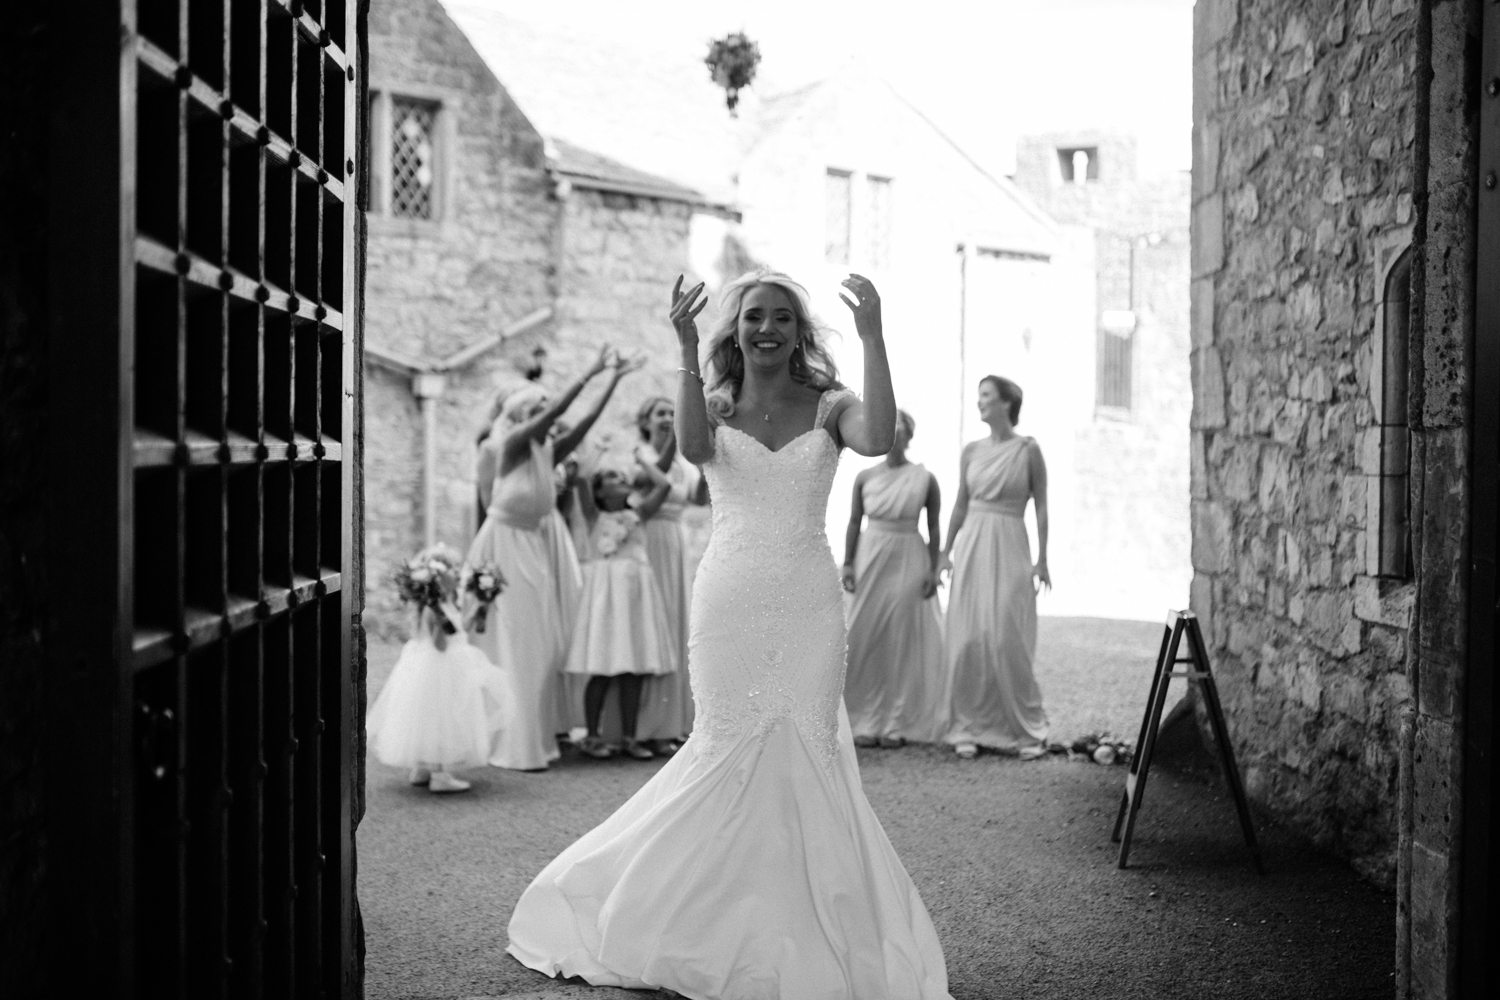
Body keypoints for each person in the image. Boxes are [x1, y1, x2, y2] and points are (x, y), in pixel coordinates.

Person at [507, 269, 953, 999]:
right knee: (724, 741)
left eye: (781, 317)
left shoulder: (830, 405)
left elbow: (875, 438)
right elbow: (691, 448)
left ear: (799, 331)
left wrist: (873, 334)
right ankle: (690, 922)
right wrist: (683, 341)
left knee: (806, 744)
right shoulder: (714, 403)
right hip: (730, 595)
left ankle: (807, 931)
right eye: (753, 317)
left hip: (806, 597)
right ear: (735, 330)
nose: (767, 328)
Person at [465, 347, 642, 771]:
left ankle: (535, 733)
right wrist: (593, 368)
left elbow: (584, 422)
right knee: (518, 643)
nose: (551, 414)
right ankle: (513, 742)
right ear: (525, 414)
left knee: (543, 644)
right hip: (503, 546)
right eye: (541, 408)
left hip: (534, 548)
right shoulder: (514, 443)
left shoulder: (548, 451)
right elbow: (562, 407)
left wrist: (615, 380)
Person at [938, 375, 1051, 760]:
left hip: (1011, 540)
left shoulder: (1028, 449)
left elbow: (1041, 505)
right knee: (968, 637)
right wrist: (944, 552)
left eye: (986, 396)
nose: (979, 402)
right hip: (972, 542)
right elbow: (959, 504)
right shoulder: (970, 451)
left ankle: (1024, 728)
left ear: (1006, 402)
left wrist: (1043, 558)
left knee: (1006, 634)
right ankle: (967, 725)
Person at [841, 408, 946, 747]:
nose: (893, 430)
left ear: (908, 433)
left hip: (908, 554)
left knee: (901, 637)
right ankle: (862, 718)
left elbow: (933, 526)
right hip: (870, 555)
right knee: (862, 633)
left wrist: (932, 568)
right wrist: (847, 563)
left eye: (898, 424)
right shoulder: (865, 477)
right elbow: (854, 521)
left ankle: (896, 721)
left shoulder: (925, 479)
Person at [366, 545, 508, 793]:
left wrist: (482, 605)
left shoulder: (444, 604)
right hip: (441, 667)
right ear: (440, 578)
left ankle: (422, 768)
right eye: (453, 570)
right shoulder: (434, 608)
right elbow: (441, 644)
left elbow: (460, 628)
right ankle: (440, 775)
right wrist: (440, 617)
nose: (458, 574)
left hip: (432, 665)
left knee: (428, 717)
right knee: (443, 717)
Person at [565, 459, 678, 760]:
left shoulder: (638, 513)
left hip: (637, 593)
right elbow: (580, 482)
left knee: (634, 669)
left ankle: (629, 736)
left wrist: (643, 460)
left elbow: (664, 485)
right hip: (607, 595)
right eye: (613, 477)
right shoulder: (594, 514)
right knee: (602, 666)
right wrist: (595, 456)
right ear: (600, 491)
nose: (622, 478)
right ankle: (591, 736)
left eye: (623, 475)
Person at [631, 396, 707, 754]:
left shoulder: (683, 463)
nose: (668, 418)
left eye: (673, 413)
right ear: (645, 421)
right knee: (650, 629)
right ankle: (643, 727)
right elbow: (653, 478)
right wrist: (681, 434)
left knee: (676, 629)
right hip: (646, 545)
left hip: (675, 544)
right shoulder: (640, 453)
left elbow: (698, 499)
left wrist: (709, 462)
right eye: (660, 413)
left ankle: (672, 724)